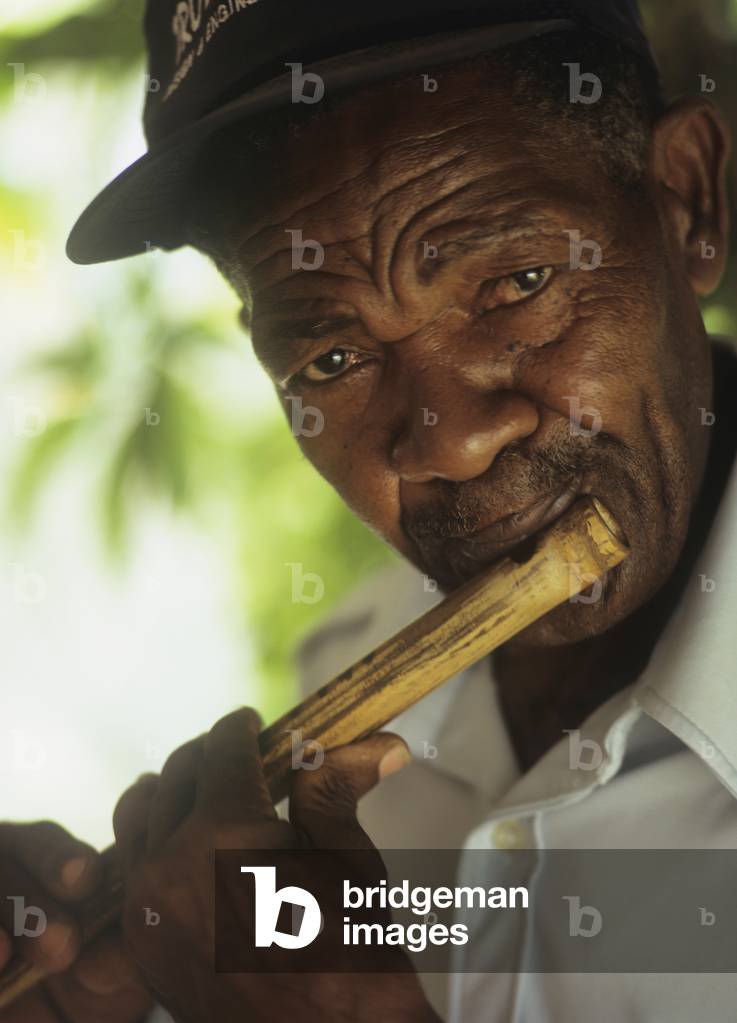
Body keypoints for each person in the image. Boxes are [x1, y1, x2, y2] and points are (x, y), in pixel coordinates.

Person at [1, 0, 734, 1020]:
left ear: (686, 202)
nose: (444, 440)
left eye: (516, 282)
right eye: (331, 359)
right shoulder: (354, 707)